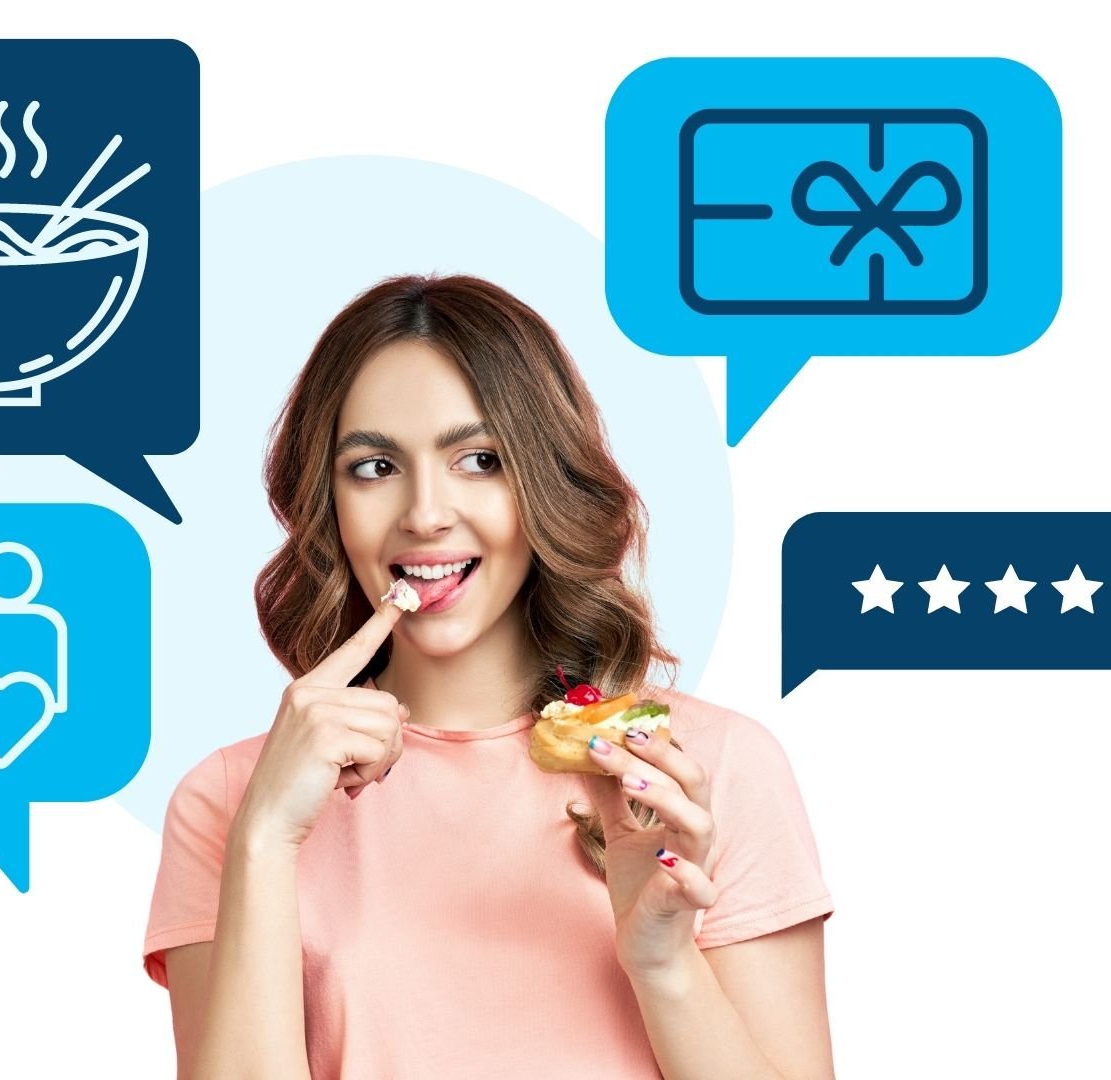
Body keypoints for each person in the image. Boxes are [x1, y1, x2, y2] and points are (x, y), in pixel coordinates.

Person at [143, 275, 834, 1079]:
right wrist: (262, 840)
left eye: (479, 460)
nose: (426, 513)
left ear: (544, 482)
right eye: (372, 467)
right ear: (324, 499)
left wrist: (665, 967)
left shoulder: (701, 772)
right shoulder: (228, 800)